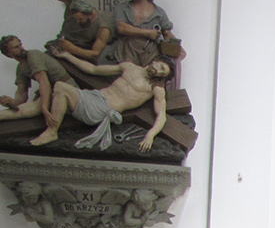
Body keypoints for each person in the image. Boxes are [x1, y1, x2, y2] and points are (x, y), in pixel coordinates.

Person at [29, 49, 172, 152]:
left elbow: (161, 115)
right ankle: (14, 116)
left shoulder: (155, 88)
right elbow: (93, 69)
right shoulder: (129, 67)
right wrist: (67, 56)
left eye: (162, 73)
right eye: (161, 66)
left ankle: (51, 132)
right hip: (93, 96)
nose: (159, 71)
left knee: (60, 87)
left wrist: (150, 136)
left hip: (101, 108)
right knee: (41, 103)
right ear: (155, 60)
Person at [0, 35, 78, 128]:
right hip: (51, 91)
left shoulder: (33, 55)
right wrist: (11, 102)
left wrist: (44, 109)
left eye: (20, 44)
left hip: (66, 88)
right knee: (29, 108)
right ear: (9, 54)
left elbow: (43, 81)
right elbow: (22, 93)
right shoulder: (21, 68)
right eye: (16, 47)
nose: (21, 48)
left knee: (34, 108)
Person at [110, 0, 183, 67]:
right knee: (130, 74)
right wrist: (147, 33)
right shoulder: (123, 7)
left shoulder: (159, 12)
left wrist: (178, 49)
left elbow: (167, 34)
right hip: (129, 51)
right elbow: (122, 28)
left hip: (151, 53)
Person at [40, 0, 115, 61]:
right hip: (58, 48)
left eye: (80, 19)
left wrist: (72, 48)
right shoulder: (73, 3)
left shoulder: (103, 29)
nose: (77, 21)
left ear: (89, 14)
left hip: (78, 58)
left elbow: (95, 54)